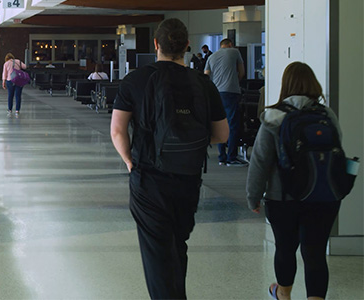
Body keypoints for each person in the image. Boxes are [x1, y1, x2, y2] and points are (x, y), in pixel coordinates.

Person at [110, 18, 229, 299]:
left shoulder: (136, 80)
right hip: (188, 177)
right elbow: (222, 134)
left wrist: (130, 161)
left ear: (156, 45)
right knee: (177, 245)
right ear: (186, 46)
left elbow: (117, 130)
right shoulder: (203, 83)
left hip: (149, 177)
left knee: (157, 253)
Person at [246, 62, 342, 300]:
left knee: (286, 248)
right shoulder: (326, 115)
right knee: (315, 252)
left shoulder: (273, 117)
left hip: (283, 197)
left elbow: (260, 160)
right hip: (323, 197)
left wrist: (253, 196)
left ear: (285, 85)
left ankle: (283, 294)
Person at [205, 38, 246, 166]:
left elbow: (206, 74)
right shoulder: (234, 52)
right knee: (232, 124)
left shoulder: (211, 57)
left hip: (216, 92)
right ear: (230, 45)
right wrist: (235, 81)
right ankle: (231, 157)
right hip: (231, 91)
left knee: (219, 123)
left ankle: (221, 157)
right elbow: (242, 72)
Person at [2, 53, 27, 117]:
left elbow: (4, 73)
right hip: (18, 80)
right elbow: (25, 67)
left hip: (10, 80)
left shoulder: (6, 63)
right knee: (18, 95)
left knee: (10, 95)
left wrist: (3, 82)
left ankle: (10, 110)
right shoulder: (18, 61)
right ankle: (17, 110)